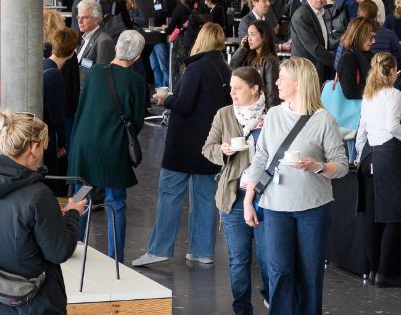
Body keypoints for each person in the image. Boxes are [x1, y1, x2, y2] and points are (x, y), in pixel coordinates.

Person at [240, 59, 349, 315]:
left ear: (298, 83)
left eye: (282, 77)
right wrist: (248, 201)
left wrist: (317, 166)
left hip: (313, 207)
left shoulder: (324, 120)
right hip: (275, 206)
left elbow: (341, 165)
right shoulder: (275, 114)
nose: (276, 82)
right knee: (279, 272)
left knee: (309, 275)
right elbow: (261, 157)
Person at [0, 110, 87, 315]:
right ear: (34, 148)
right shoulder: (39, 195)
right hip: (33, 305)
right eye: (43, 148)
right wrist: (72, 214)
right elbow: (60, 251)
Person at [133, 24, 230, 267]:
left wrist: (166, 99)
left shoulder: (196, 68)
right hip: (211, 144)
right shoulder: (226, 70)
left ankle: (159, 249)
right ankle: (202, 250)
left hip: (184, 144)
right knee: (205, 198)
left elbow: (184, 104)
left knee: (169, 195)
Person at [67, 30, 147, 263]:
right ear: (138, 57)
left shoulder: (93, 71)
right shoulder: (135, 81)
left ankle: (74, 249)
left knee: (81, 197)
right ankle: (115, 260)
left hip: (84, 146)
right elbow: (137, 121)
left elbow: (82, 107)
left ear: (116, 48)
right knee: (116, 204)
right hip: (113, 148)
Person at [200, 67, 272, 314]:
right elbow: (207, 148)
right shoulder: (224, 115)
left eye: (237, 87)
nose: (231, 93)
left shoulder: (273, 116)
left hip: (266, 197)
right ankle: (241, 308)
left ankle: (269, 295)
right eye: (230, 88)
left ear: (255, 89)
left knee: (267, 258)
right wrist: (223, 150)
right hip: (233, 196)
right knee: (238, 259)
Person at [356, 53, 401, 288]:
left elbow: (361, 129)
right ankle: (385, 273)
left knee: (372, 216)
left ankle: (373, 270)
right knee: (395, 215)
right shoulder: (394, 93)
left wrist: (357, 155)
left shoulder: (368, 94)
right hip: (390, 156)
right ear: (392, 72)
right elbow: (393, 127)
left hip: (369, 155)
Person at [42, 28, 78, 194]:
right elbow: (57, 116)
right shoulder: (55, 75)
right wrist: (62, 143)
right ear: (72, 52)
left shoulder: (43, 65)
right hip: (47, 138)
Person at [290, 0, 334, 81]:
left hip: (318, 68)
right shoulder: (302, 15)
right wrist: (336, 61)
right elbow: (314, 47)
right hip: (306, 72)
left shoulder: (322, 12)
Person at [231, 20, 282, 107]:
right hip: (248, 106)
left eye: (253, 35)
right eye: (248, 35)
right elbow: (233, 68)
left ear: (264, 37)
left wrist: (268, 115)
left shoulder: (270, 61)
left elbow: (272, 94)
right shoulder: (248, 56)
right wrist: (242, 48)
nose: (249, 38)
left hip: (261, 109)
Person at [73, 0, 115, 84]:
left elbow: (102, 76)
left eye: (84, 18)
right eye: (78, 17)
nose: (79, 21)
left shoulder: (104, 41)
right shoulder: (85, 38)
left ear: (96, 20)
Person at [335, 18, 378, 99]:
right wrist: (377, 86)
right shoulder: (347, 59)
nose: (374, 41)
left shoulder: (367, 54)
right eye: (371, 37)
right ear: (359, 35)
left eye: (374, 36)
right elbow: (349, 91)